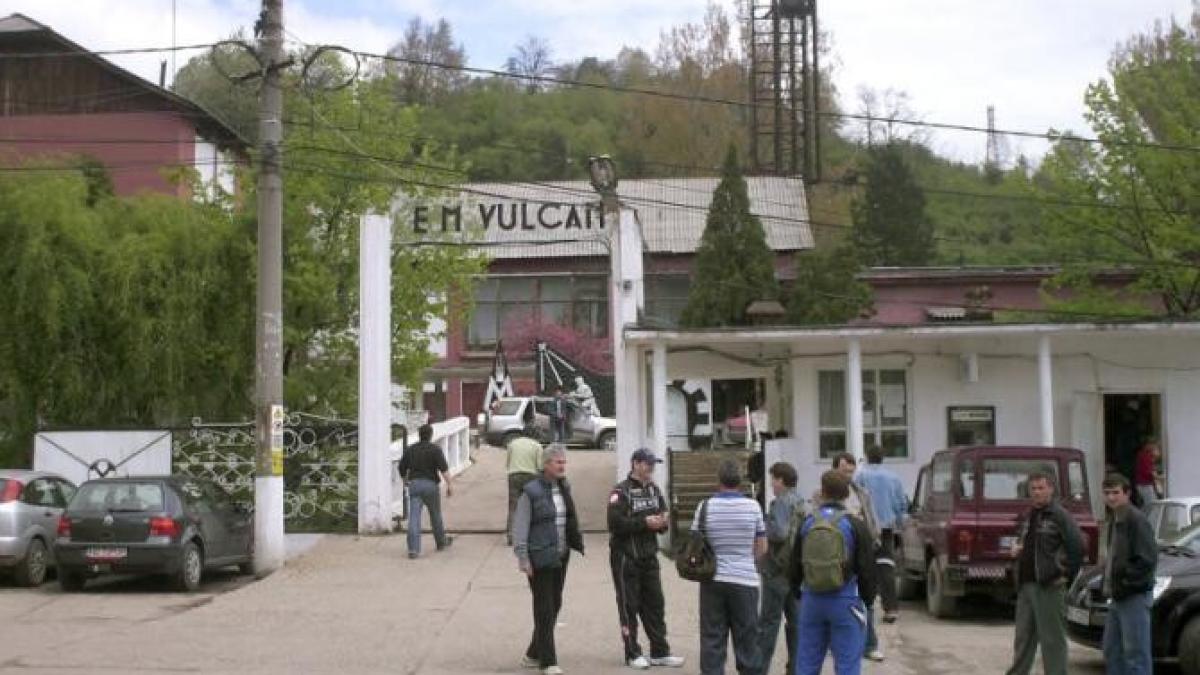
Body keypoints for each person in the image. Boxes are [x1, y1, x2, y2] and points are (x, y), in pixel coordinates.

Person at [790, 470, 878, 675]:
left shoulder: (808, 522)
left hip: (812, 600)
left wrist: (799, 594)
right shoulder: (855, 525)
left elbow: (794, 566)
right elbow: (867, 569)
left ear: (822, 492)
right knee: (847, 665)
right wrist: (868, 599)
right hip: (845, 600)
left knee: (807, 664)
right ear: (847, 495)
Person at [607, 448, 685, 670]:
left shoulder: (653, 489)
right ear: (635, 464)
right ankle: (632, 653)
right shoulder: (620, 492)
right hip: (626, 557)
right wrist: (644, 523)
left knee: (656, 605)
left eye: (653, 464)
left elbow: (663, 514)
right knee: (629, 606)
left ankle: (660, 652)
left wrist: (663, 522)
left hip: (649, 556)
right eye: (647, 464)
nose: (651, 468)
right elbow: (615, 524)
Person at [512, 445, 585, 675]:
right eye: (557, 462)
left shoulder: (565, 487)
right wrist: (523, 558)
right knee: (544, 608)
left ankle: (533, 653)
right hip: (539, 557)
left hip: (561, 556)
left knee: (555, 604)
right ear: (545, 465)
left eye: (564, 462)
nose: (562, 466)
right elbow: (520, 527)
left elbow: (568, 518)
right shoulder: (530, 492)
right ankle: (548, 661)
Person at [1005, 471, 1084, 675]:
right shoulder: (1028, 514)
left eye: (1041, 488)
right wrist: (1018, 549)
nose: (1037, 492)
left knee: (1052, 640)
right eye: (1033, 488)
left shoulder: (1060, 515)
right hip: (1026, 585)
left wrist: (1064, 575)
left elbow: (1077, 547)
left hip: (1049, 586)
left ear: (1051, 489)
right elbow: (1028, 542)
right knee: (1022, 639)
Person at [693, 459, 767, 675]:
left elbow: (696, 543)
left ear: (719, 480)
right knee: (747, 639)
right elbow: (762, 547)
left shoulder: (704, 507)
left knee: (712, 638)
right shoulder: (753, 507)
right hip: (745, 580)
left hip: (712, 580)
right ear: (740, 481)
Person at [821, 452, 882, 662]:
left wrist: (873, 538)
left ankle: (870, 644)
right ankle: (834, 643)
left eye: (851, 471)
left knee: (867, 598)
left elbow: (872, 520)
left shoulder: (861, 492)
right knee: (833, 599)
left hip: (861, 553)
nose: (849, 475)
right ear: (834, 469)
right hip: (834, 556)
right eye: (845, 471)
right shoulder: (821, 497)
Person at [1100, 473, 1157, 675]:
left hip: (1134, 596)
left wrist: (1125, 582)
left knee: (1136, 655)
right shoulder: (1115, 519)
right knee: (1112, 650)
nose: (1111, 498)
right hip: (1117, 597)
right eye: (1107, 493)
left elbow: (1147, 560)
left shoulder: (1136, 520)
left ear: (1128, 493)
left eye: (1116, 493)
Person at [757, 461, 805, 675]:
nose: (771, 485)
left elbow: (780, 533)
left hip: (776, 571)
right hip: (796, 572)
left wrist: (763, 525)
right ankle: (795, 669)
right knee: (796, 625)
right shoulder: (802, 502)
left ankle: (759, 670)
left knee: (768, 625)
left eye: (773, 480)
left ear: (782, 481)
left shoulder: (781, 503)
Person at [854, 446, 908, 626]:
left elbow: (854, 498)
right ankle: (891, 609)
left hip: (864, 527)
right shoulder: (894, 478)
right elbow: (901, 504)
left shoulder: (860, 476)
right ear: (883, 458)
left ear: (867, 457)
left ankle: (863, 606)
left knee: (862, 567)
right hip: (886, 528)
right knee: (886, 568)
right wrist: (899, 524)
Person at [397, 423, 453, 560]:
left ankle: (413, 549)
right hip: (430, 485)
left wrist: (405, 480)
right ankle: (440, 542)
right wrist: (450, 484)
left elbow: (401, 468)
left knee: (414, 518)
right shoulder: (435, 450)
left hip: (415, 485)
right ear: (431, 435)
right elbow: (443, 469)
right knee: (435, 515)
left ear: (419, 435)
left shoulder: (411, 450)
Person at [506, 425, 543, 546]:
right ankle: (531, 534)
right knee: (531, 506)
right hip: (530, 477)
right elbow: (540, 466)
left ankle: (511, 535)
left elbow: (508, 463)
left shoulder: (512, 444)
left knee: (513, 507)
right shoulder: (537, 446)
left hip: (514, 475)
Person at [1133, 440, 1163, 507]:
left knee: (1149, 503)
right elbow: (1147, 472)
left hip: (1144, 483)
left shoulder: (1146, 456)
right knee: (1152, 504)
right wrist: (1159, 477)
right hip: (1144, 484)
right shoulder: (1144, 456)